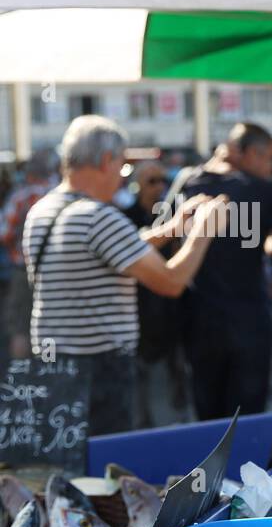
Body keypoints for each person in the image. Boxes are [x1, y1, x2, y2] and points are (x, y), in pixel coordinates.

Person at [22, 116, 226, 435]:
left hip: (54, 362)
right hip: (100, 369)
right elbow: (172, 282)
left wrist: (172, 229)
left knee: (67, 461)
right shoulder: (99, 217)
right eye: (121, 165)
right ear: (106, 160)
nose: (122, 175)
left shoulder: (43, 210)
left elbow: (105, 251)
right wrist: (204, 230)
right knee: (101, 473)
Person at [179, 122, 272, 420]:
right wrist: (269, 244)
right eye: (267, 157)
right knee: (246, 420)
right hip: (249, 321)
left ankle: (212, 470)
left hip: (198, 320)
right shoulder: (263, 190)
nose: (270, 166)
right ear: (246, 153)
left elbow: (168, 242)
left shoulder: (189, 184)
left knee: (207, 420)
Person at [123, 161, 189, 423]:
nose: (159, 187)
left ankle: (180, 417)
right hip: (139, 306)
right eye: (152, 181)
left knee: (178, 369)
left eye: (163, 180)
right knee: (140, 374)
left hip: (172, 306)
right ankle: (143, 421)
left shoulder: (173, 213)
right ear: (138, 185)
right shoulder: (126, 217)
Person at [1, 154, 57, 358]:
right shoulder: (58, 195)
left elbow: (4, 233)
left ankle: (23, 377)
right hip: (57, 269)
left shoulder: (20, 197)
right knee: (53, 325)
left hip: (24, 268)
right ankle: (51, 373)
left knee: (21, 326)